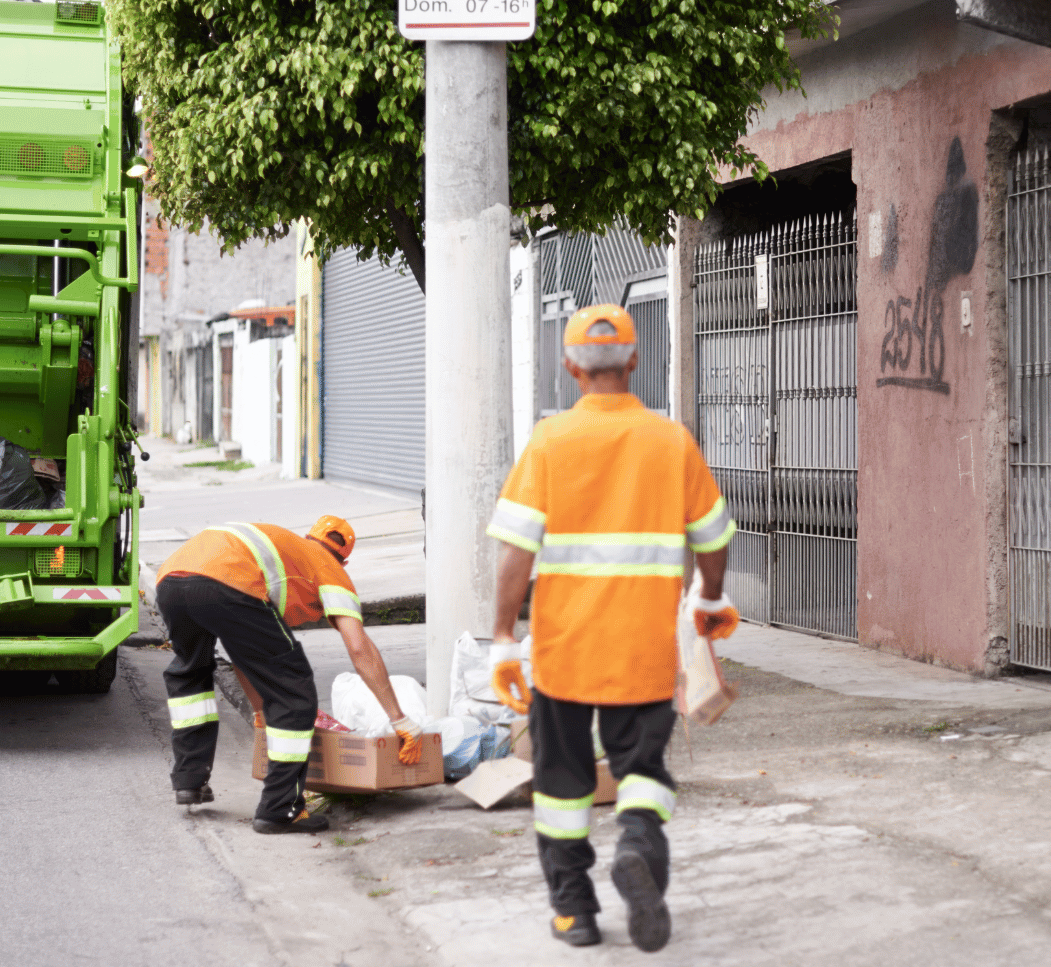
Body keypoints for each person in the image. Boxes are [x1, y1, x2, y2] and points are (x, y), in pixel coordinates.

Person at [485, 304, 740, 951]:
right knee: (643, 767)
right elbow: (712, 537)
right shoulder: (671, 440)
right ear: (632, 360)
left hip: (566, 652)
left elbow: (515, 550)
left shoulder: (549, 442)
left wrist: (503, 637)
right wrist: (708, 598)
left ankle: (575, 912)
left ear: (570, 367)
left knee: (563, 784)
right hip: (646, 649)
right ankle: (637, 842)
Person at [154, 514, 422, 833]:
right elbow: (360, 649)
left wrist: (260, 711)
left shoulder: (289, 551)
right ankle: (280, 809)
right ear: (345, 560)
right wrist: (399, 719)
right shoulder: (331, 571)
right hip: (226, 583)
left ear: (310, 537)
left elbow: (247, 653)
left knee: (191, 676)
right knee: (295, 695)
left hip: (171, 579)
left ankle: (189, 780)